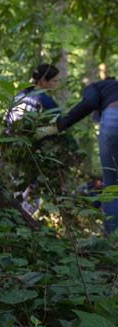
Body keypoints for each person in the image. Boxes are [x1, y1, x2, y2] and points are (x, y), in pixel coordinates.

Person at [49, 77, 118, 234]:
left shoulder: (94, 87)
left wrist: (61, 124)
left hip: (114, 121)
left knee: (112, 186)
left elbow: (90, 102)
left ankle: (114, 242)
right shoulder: (113, 89)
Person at [3, 63, 60, 133]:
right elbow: (58, 121)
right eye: (54, 81)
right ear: (43, 80)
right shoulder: (45, 100)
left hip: (10, 134)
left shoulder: (20, 95)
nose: (57, 84)